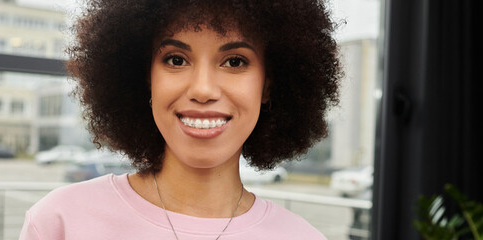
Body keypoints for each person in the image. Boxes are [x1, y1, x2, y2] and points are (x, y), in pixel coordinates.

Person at [19, 0, 342, 239]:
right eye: (176, 59)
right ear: (146, 77)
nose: (202, 89)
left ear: (268, 86)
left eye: (234, 61)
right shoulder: (61, 222)